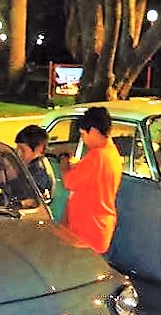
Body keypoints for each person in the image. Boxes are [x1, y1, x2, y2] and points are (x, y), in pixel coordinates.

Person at [60, 106, 122, 254]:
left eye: (83, 134)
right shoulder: (111, 152)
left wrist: (63, 162)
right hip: (99, 227)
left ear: (93, 130)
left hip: (88, 229)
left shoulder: (97, 156)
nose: (83, 139)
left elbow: (69, 181)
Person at [14, 125, 53, 199]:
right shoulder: (23, 167)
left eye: (22, 150)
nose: (18, 153)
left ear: (38, 150)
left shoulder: (38, 176)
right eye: (17, 148)